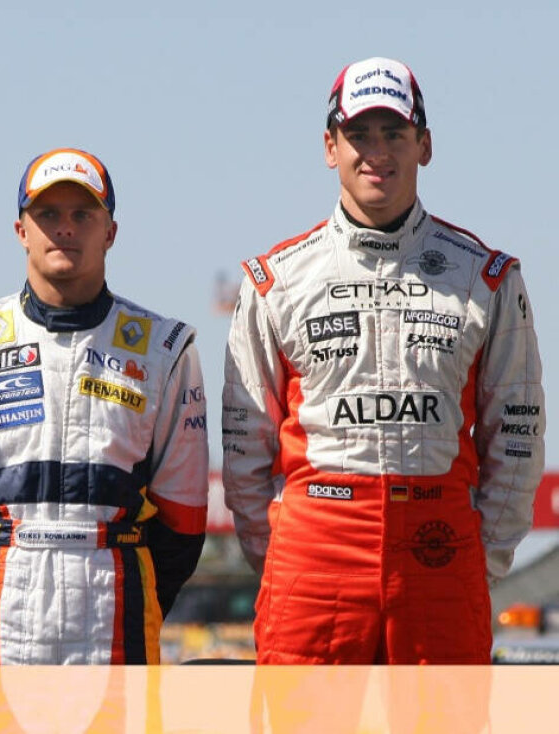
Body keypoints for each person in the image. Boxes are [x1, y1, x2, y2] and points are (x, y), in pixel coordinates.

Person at [223, 57, 545, 664]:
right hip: (315, 547)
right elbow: (245, 445)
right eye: (358, 134)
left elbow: (519, 430)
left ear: (424, 145)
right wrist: (285, 549)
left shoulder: (486, 275)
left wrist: (486, 555)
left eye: (393, 133)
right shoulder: (277, 280)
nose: (376, 151)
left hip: (440, 544)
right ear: (329, 146)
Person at [0, 148, 209, 664]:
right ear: (20, 230)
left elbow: (184, 519)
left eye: (83, 214)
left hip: (115, 603)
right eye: (48, 214)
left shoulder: (165, 348)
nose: (64, 228)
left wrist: (133, 590)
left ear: (111, 231)